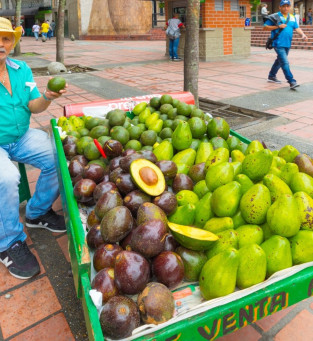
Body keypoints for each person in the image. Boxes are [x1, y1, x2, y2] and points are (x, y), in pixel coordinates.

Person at [0, 17, 67, 280]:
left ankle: (37, 213)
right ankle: (8, 242)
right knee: (7, 178)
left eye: (6, 38)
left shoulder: (21, 69)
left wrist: (47, 98)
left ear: (12, 42)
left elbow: (33, 106)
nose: (1, 44)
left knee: (57, 155)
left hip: (22, 135)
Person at [264, 0, 308, 89]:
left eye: (287, 6)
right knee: (284, 62)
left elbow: (297, 28)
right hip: (278, 43)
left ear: (289, 7)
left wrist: (303, 34)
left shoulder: (292, 17)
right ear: (280, 7)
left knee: (279, 61)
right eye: (283, 6)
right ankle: (291, 81)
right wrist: (278, 26)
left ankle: (271, 76)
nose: (286, 8)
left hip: (287, 43)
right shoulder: (274, 16)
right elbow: (265, 27)